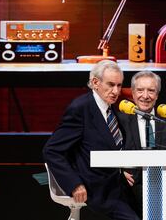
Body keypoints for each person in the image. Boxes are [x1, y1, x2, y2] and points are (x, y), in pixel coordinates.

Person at [43, 60, 139, 220]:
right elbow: (51, 151)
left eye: (119, 85)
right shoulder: (81, 108)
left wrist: (120, 170)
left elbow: (109, 146)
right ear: (95, 82)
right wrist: (74, 184)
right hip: (95, 187)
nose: (116, 91)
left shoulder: (110, 109)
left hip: (117, 183)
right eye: (110, 84)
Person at [122, 71, 166, 218]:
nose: (145, 96)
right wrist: (118, 171)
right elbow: (106, 150)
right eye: (140, 90)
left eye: (151, 91)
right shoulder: (121, 121)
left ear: (157, 95)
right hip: (131, 191)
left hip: (165, 190)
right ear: (133, 94)